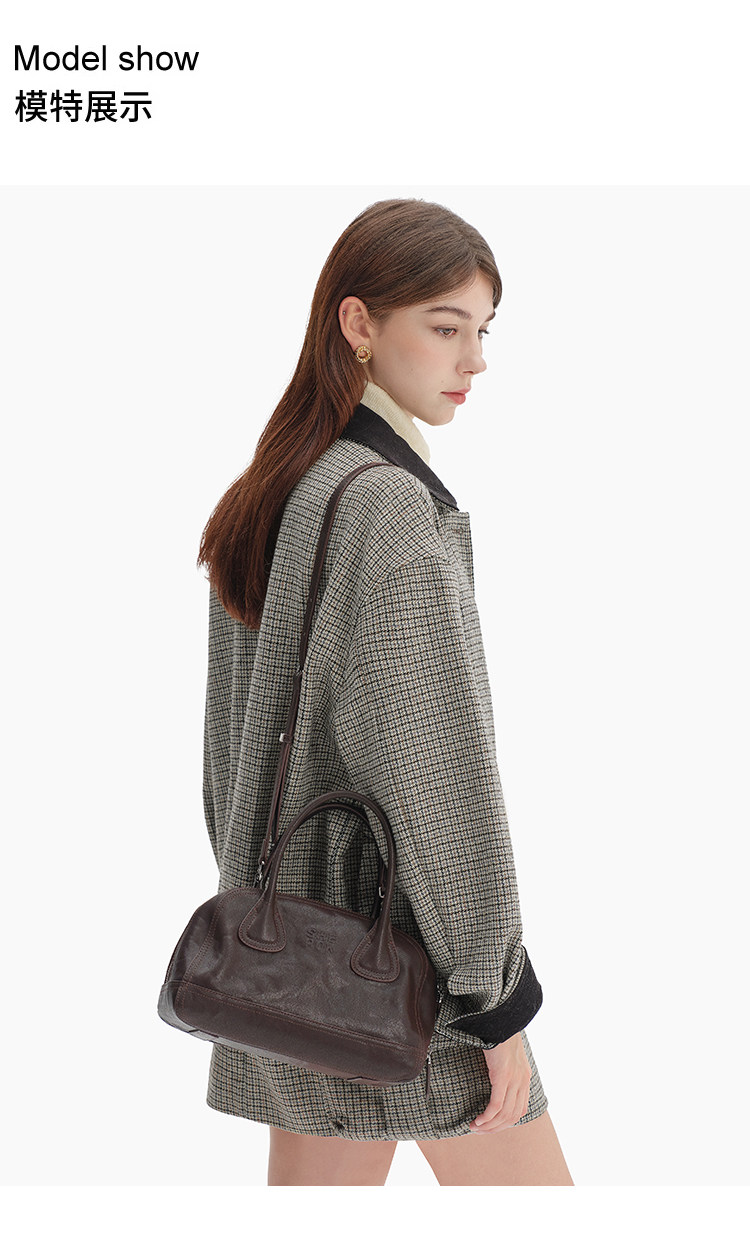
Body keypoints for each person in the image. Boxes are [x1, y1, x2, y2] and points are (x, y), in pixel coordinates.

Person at [196, 198, 574, 1186]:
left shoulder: (274, 491)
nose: (474, 361)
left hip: (286, 968)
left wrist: (264, 907)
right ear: (358, 323)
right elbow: (437, 773)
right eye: (445, 329)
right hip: (402, 976)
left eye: (483, 331)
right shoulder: (387, 509)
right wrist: (495, 1003)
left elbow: (230, 758)